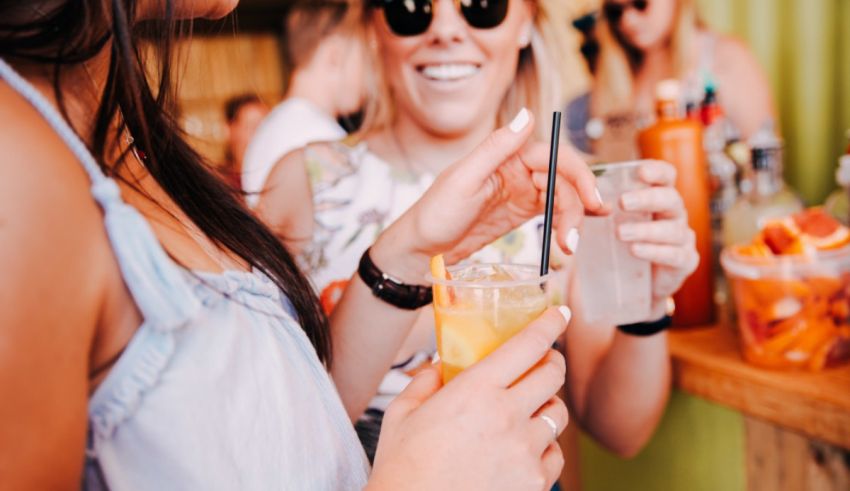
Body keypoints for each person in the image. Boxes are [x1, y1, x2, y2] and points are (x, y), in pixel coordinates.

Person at [0, 1, 608, 489]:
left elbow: (291, 423)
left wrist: (408, 252)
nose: (445, 29)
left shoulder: (120, 141)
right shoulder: (18, 167)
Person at [258, 0, 699, 462]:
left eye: (481, 6)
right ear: (373, 27)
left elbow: (620, 430)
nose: (446, 30)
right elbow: (275, 438)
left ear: (526, 21)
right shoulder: (303, 181)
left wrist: (645, 307)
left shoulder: (568, 192)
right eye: (412, 8)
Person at [568, 0, 776, 159]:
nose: (628, 20)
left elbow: (765, 155)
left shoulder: (726, 57)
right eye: (616, 12)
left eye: (640, 3)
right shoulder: (612, 76)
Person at [242, 0, 368, 207]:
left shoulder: (275, 125)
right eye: (366, 60)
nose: (370, 79)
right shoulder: (318, 138)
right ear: (335, 56)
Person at [221, 93, 268, 191]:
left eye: (265, 126)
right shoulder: (220, 183)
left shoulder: (275, 177)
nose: (261, 134)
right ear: (229, 130)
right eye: (252, 126)